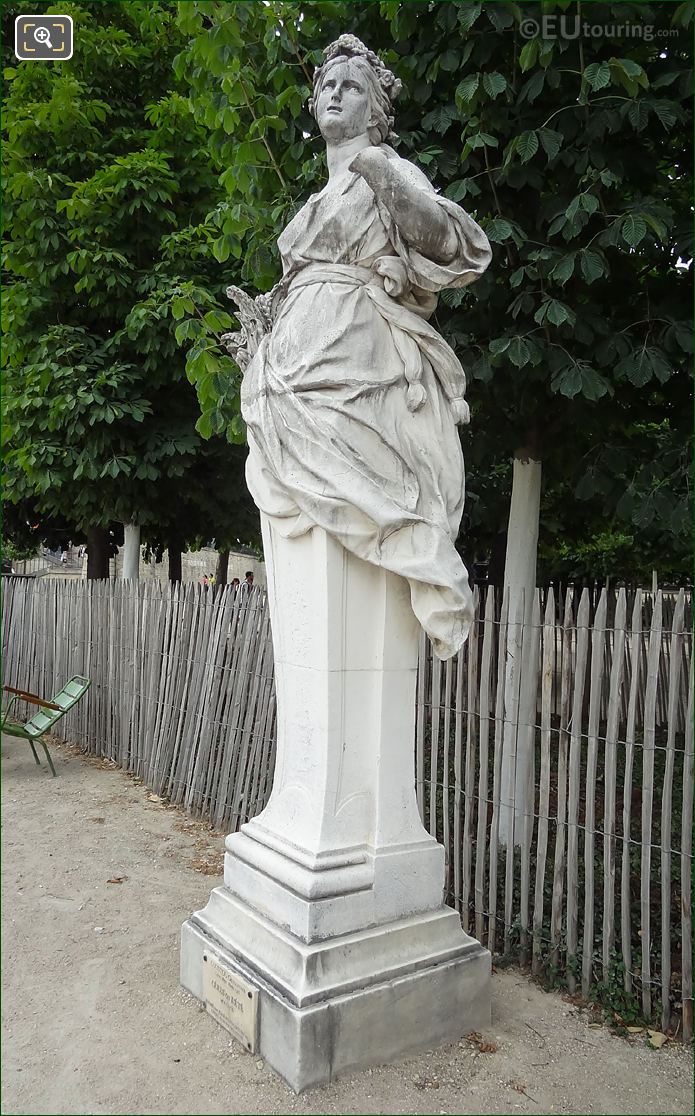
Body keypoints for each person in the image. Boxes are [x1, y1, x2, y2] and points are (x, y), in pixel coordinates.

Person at [232, 35, 491, 660]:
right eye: (327, 85)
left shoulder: (387, 168)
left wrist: (382, 181)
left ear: (374, 109)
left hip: (354, 356)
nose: (335, 93)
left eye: (351, 86)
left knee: (360, 485)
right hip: (292, 358)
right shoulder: (316, 200)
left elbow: (452, 243)